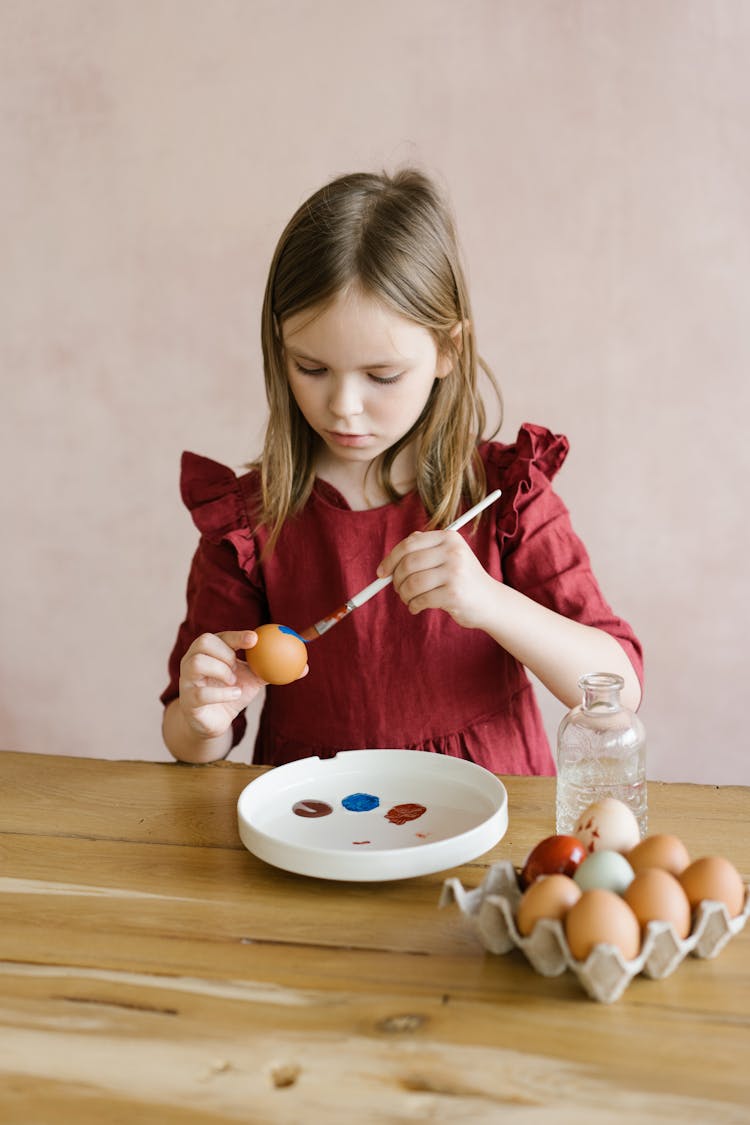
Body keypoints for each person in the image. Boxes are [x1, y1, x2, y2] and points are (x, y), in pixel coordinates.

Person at [161, 168, 643, 771]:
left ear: (448, 350)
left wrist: (490, 602)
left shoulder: (505, 497)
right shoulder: (250, 522)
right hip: (320, 819)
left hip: (485, 813)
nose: (343, 405)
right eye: (311, 368)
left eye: (382, 376)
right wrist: (201, 717)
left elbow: (620, 686)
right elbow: (190, 740)